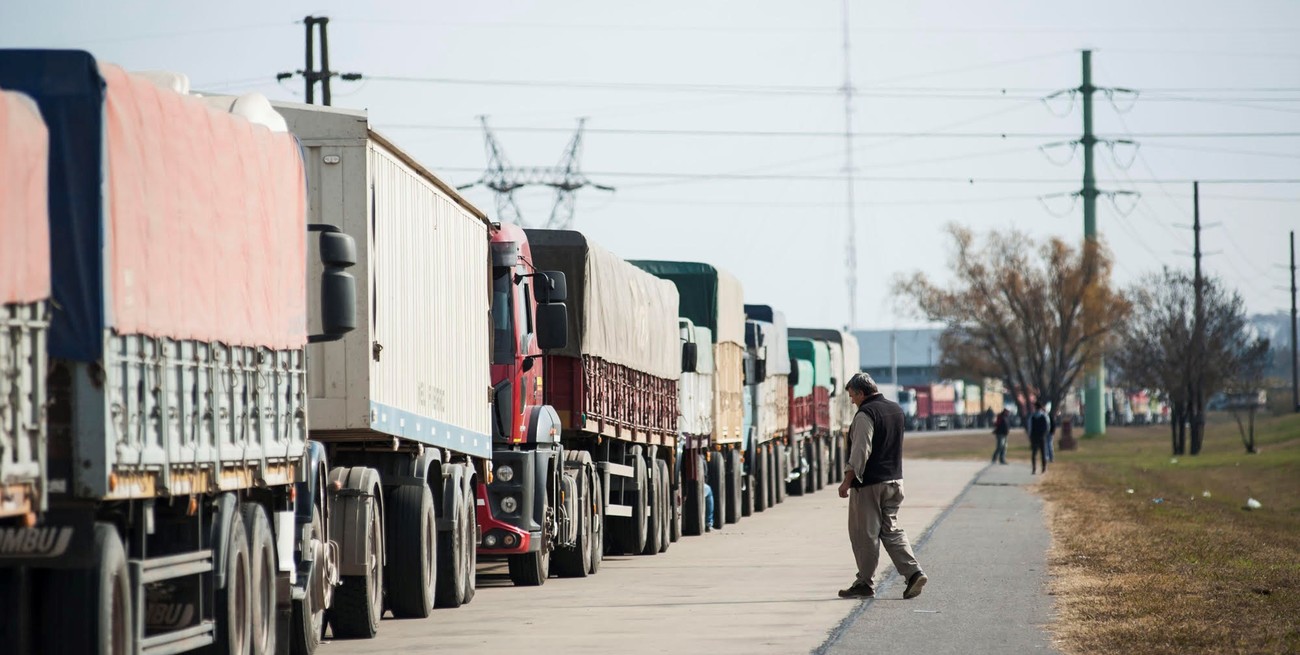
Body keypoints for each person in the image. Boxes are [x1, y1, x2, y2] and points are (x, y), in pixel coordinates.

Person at [836, 373, 926, 600]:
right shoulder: (895, 409)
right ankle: (914, 573)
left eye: (852, 396)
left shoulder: (866, 414)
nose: (852, 401)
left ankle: (864, 583)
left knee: (864, 534)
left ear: (861, 392)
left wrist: (847, 480)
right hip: (895, 481)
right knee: (891, 531)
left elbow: (860, 450)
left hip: (870, 485)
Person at [1026, 401, 1051, 474]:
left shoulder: (1032, 416)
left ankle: (1034, 468)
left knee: (1034, 453)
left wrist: (1030, 435)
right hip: (1042, 436)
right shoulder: (1044, 416)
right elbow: (1048, 426)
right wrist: (1045, 433)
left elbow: (1029, 427)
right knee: (1043, 452)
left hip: (1034, 436)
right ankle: (1044, 468)